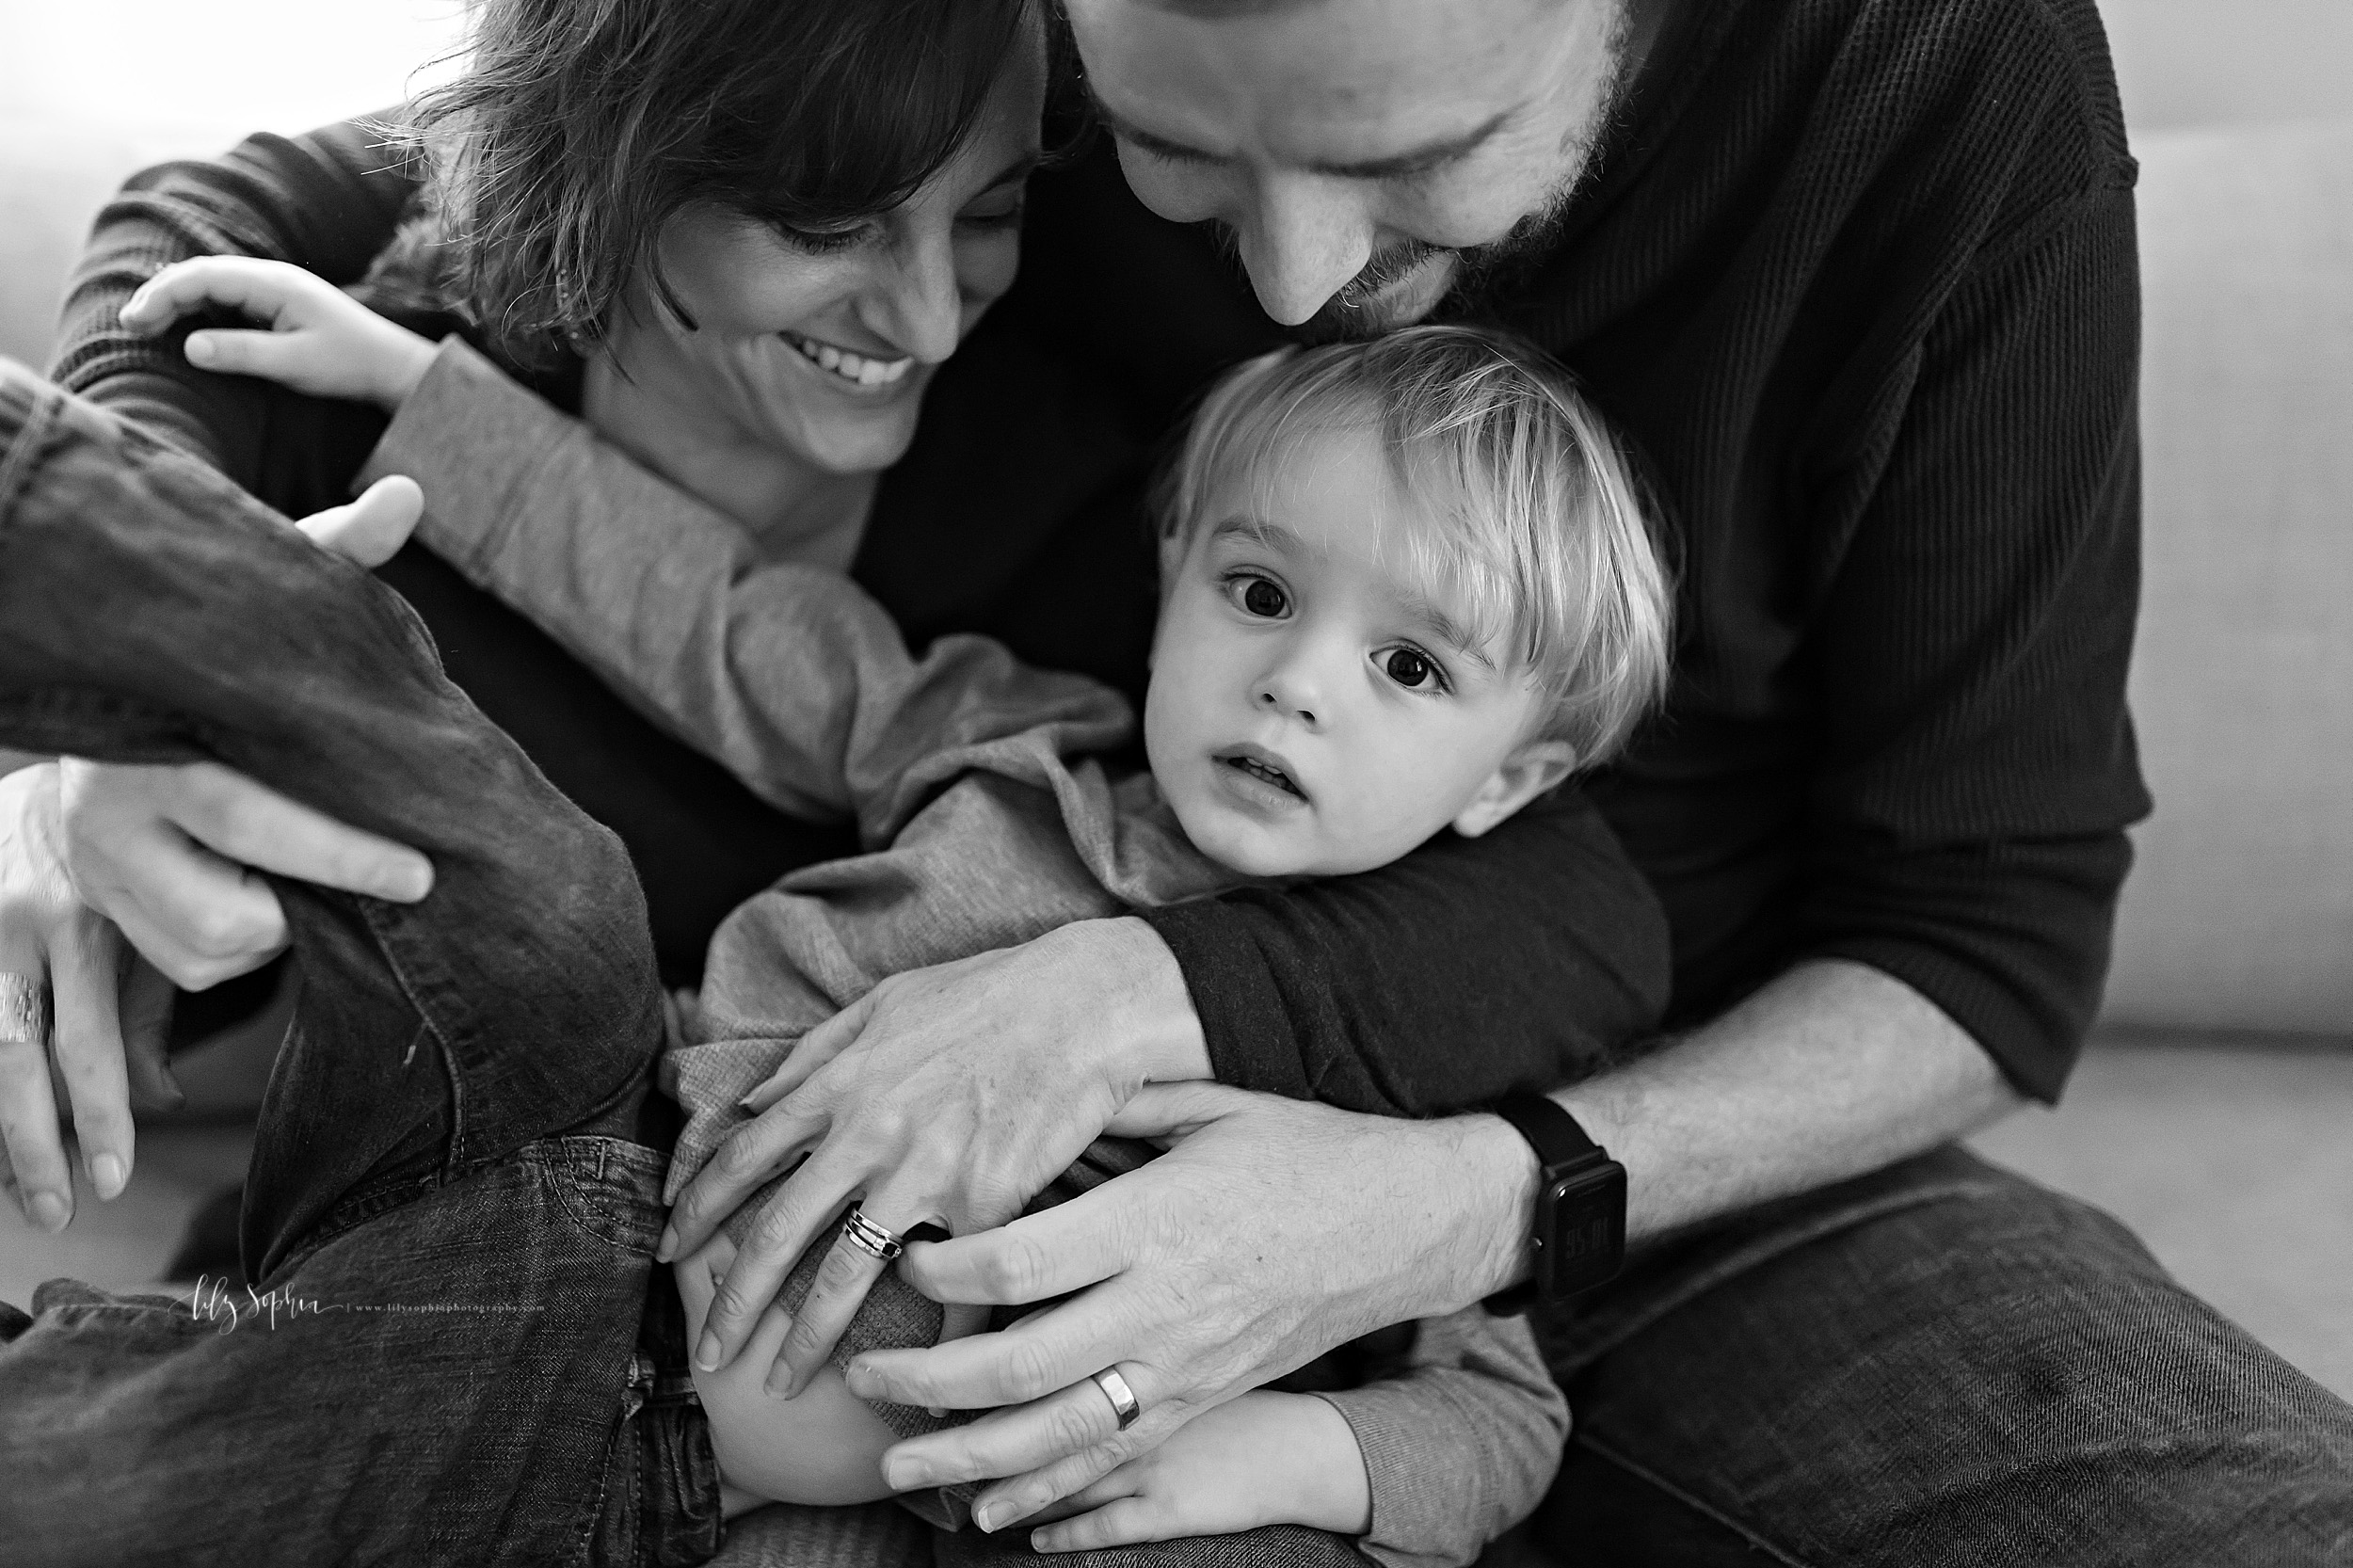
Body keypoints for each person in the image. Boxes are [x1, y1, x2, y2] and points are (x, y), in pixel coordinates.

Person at [21, 0, 2353, 1560]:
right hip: (682, 1262)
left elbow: (1978, 925)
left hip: (1613, 1143)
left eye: (1412, 158)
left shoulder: (1924, 93)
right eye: (1149, 154)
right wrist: (80, 714)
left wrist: (1413, 1206)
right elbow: (284, 239)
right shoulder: (1003, 728)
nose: (1300, 278)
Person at [0, 314, 1671, 1564]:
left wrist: (1301, 1453)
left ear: (1512, 777)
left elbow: (1505, 1409)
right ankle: (42, 493)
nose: (1300, 677)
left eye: (1412, 669)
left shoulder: (1418, 1072)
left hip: (618, 1430)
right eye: (1260, 593)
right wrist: (430, 396)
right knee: (499, 822)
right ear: (1171, 573)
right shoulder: (993, 736)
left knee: (121, 1468)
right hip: (572, 1108)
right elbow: (722, 624)